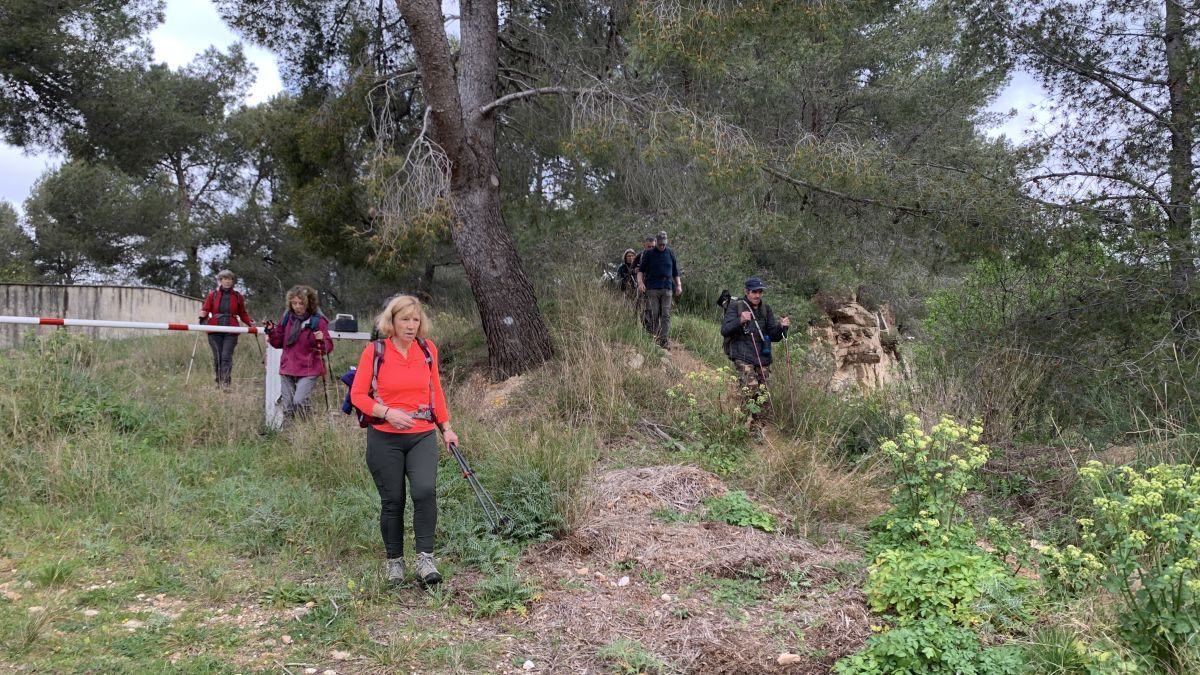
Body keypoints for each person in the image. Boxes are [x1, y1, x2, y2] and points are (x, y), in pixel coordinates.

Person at [350, 295, 458, 586]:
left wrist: (446, 428)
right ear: (392, 322)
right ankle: (395, 563)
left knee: (424, 492)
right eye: (404, 320)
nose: (411, 326)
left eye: (415, 320)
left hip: (421, 435)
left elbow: (435, 390)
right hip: (385, 438)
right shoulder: (375, 352)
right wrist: (387, 413)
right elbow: (357, 396)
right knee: (393, 501)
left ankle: (425, 560)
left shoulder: (427, 350)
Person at [720, 277, 790, 434]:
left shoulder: (766, 309)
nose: (757, 295)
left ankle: (757, 429)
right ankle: (738, 424)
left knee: (763, 393)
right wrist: (740, 320)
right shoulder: (736, 306)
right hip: (742, 353)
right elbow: (724, 330)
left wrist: (781, 327)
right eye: (754, 292)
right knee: (750, 387)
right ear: (746, 291)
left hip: (761, 355)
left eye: (760, 292)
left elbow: (774, 336)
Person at [264, 285, 333, 421]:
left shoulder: (318, 321)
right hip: (287, 368)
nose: (297, 306)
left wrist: (321, 340)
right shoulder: (286, 318)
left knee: (299, 401)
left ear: (309, 303)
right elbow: (278, 343)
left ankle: (307, 431)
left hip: (309, 369)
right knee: (288, 406)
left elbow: (328, 347)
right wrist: (271, 331)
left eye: (301, 303)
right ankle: (288, 437)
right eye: (294, 303)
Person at [199, 269, 254, 388]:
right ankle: (219, 381)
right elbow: (205, 309)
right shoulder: (212, 295)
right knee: (217, 357)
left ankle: (226, 383)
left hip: (232, 330)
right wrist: (201, 317)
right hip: (214, 330)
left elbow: (243, 313)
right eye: (225, 279)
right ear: (220, 281)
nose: (227, 281)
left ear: (232, 281)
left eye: (230, 279)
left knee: (226, 356)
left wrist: (250, 323)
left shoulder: (238, 297)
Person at [636, 231, 682, 348]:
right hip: (652, 287)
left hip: (667, 287)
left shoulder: (670, 253)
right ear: (657, 242)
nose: (662, 246)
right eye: (660, 244)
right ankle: (656, 336)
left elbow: (675, 272)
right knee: (654, 313)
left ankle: (664, 340)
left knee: (666, 314)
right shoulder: (649, 254)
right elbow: (640, 271)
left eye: (664, 244)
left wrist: (678, 285)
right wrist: (640, 283)